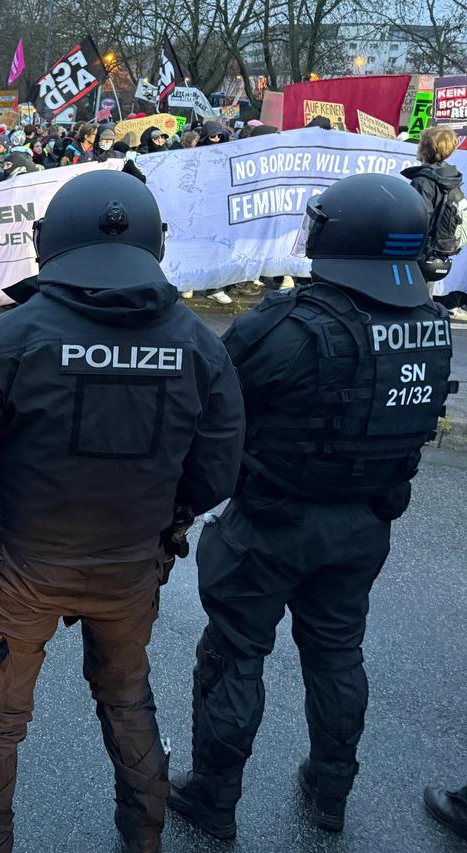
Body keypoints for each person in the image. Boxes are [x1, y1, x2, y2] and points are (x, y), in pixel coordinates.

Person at [0, 169, 246, 853]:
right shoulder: (197, 342)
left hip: (22, 562)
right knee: (127, 698)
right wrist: (168, 519)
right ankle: (143, 839)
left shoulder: (12, 338)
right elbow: (219, 467)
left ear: (51, 242)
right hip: (128, 564)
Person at [168, 173, 455, 840]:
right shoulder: (432, 328)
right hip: (364, 526)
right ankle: (331, 791)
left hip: (270, 521)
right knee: (337, 653)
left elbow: (209, 406)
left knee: (234, 654)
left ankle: (213, 794)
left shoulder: (289, 325)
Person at [402, 124, 467, 313]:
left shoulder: (423, 181)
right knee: (424, 299)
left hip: (420, 250)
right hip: (439, 250)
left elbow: (417, 218)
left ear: (425, 148)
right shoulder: (452, 180)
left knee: (412, 300)